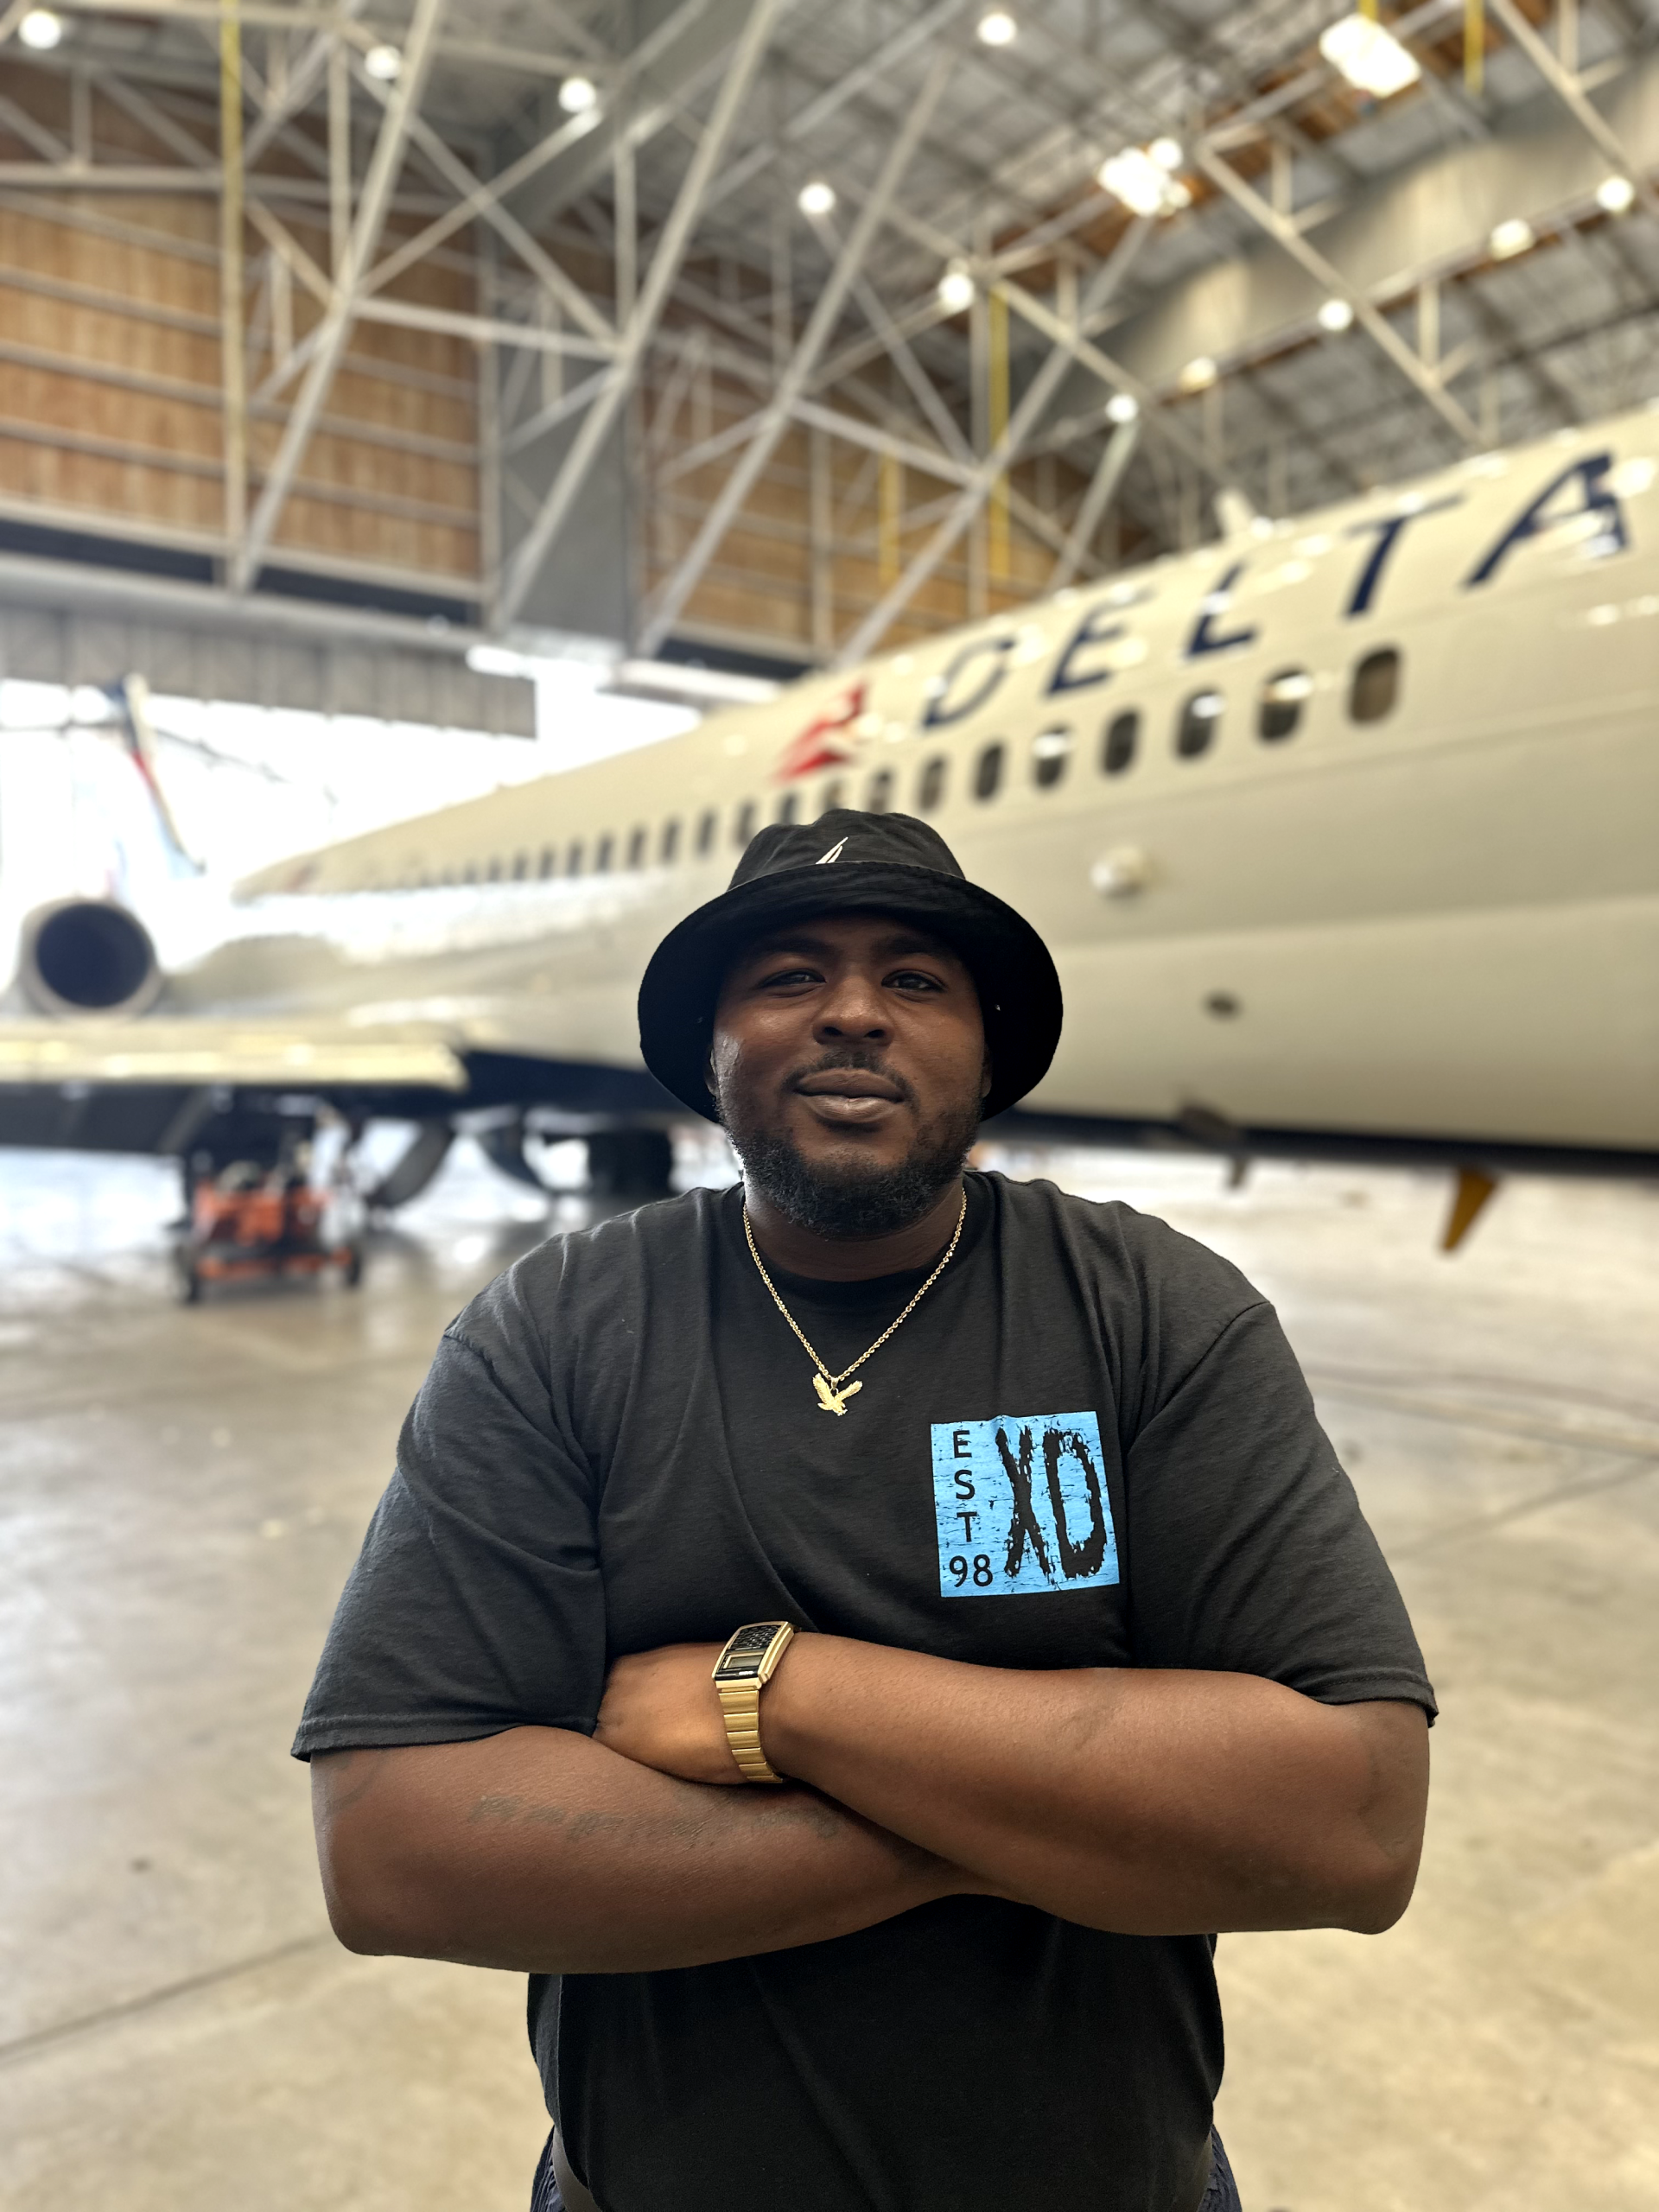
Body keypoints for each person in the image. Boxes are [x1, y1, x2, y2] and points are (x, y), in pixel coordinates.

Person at [295, 809, 1435, 2212]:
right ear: (713, 1048)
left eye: (913, 979)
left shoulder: (1152, 1312)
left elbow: (1359, 1827)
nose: (851, 1013)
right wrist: (1055, 1819)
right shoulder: (557, 1331)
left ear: (984, 1048)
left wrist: (781, 1698)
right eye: (785, 977)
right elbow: (395, 1850)